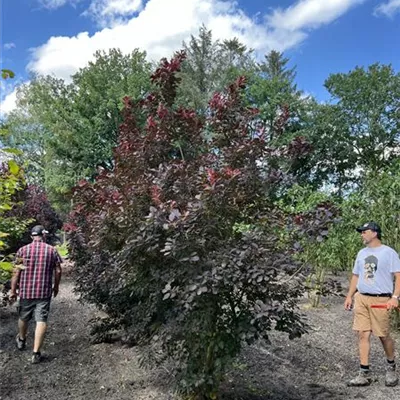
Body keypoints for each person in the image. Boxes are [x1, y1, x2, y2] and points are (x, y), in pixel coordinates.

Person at [344, 221, 400, 387]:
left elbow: (399, 276)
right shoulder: (361, 253)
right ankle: (364, 373)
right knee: (362, 334)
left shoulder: (389, 253)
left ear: (374, 233)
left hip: (381, 299)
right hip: (361, 298)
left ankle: (391, 367)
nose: (362, 234)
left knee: (383, 335)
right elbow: (356, 276)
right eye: (361, 232)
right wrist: (349, 296)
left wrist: (395, 297)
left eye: (364, 231)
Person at [9, 225, 62, 364]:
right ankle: (36, 353)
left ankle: (21, 339)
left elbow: (16, 272)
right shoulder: (51, 251)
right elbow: (58, 271)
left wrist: (13, 290)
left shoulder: (22, 251)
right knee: (41, 320)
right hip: (44, 292)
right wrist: (56, 286)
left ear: (32, 236)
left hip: (26, 291)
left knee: (23, 317)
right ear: (43, 236)